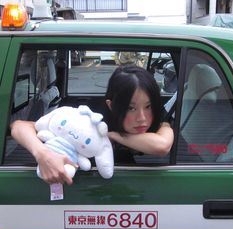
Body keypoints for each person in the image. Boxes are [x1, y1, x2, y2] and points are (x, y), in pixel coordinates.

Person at [10, 65, 174, 185]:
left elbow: (162, 145)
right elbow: (19, 126)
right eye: (131, 108)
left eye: (148, 106)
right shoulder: (90, 122)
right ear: (111, 105)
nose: (142, 118)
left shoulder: (160, 122)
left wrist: (113, 136)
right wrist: (42, 154)